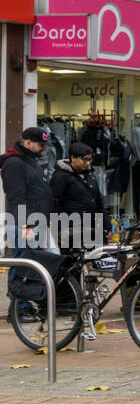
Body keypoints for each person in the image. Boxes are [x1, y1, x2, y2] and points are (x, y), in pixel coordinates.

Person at [2, 127, 55, 317]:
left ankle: (24, 305)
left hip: (36, 221)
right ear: (27, 142)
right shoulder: (14, 163)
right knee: (22, 265)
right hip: (24, 224)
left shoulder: (29, 161)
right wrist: (26, 224)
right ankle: (18, 307)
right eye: (40, 144)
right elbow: (16, 196)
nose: (43, 148)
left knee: (32, 265)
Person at [49, 141, 105, 251]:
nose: (88, 163)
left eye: (90, 159)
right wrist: (59, 230)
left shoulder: (90, 175)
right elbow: (55, 204)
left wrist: (104, 224)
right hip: (70, 230)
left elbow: (98, 200)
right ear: (73, 158)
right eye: (85, 159)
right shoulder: (60, 177)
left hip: (91, 228)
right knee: (70, 263)